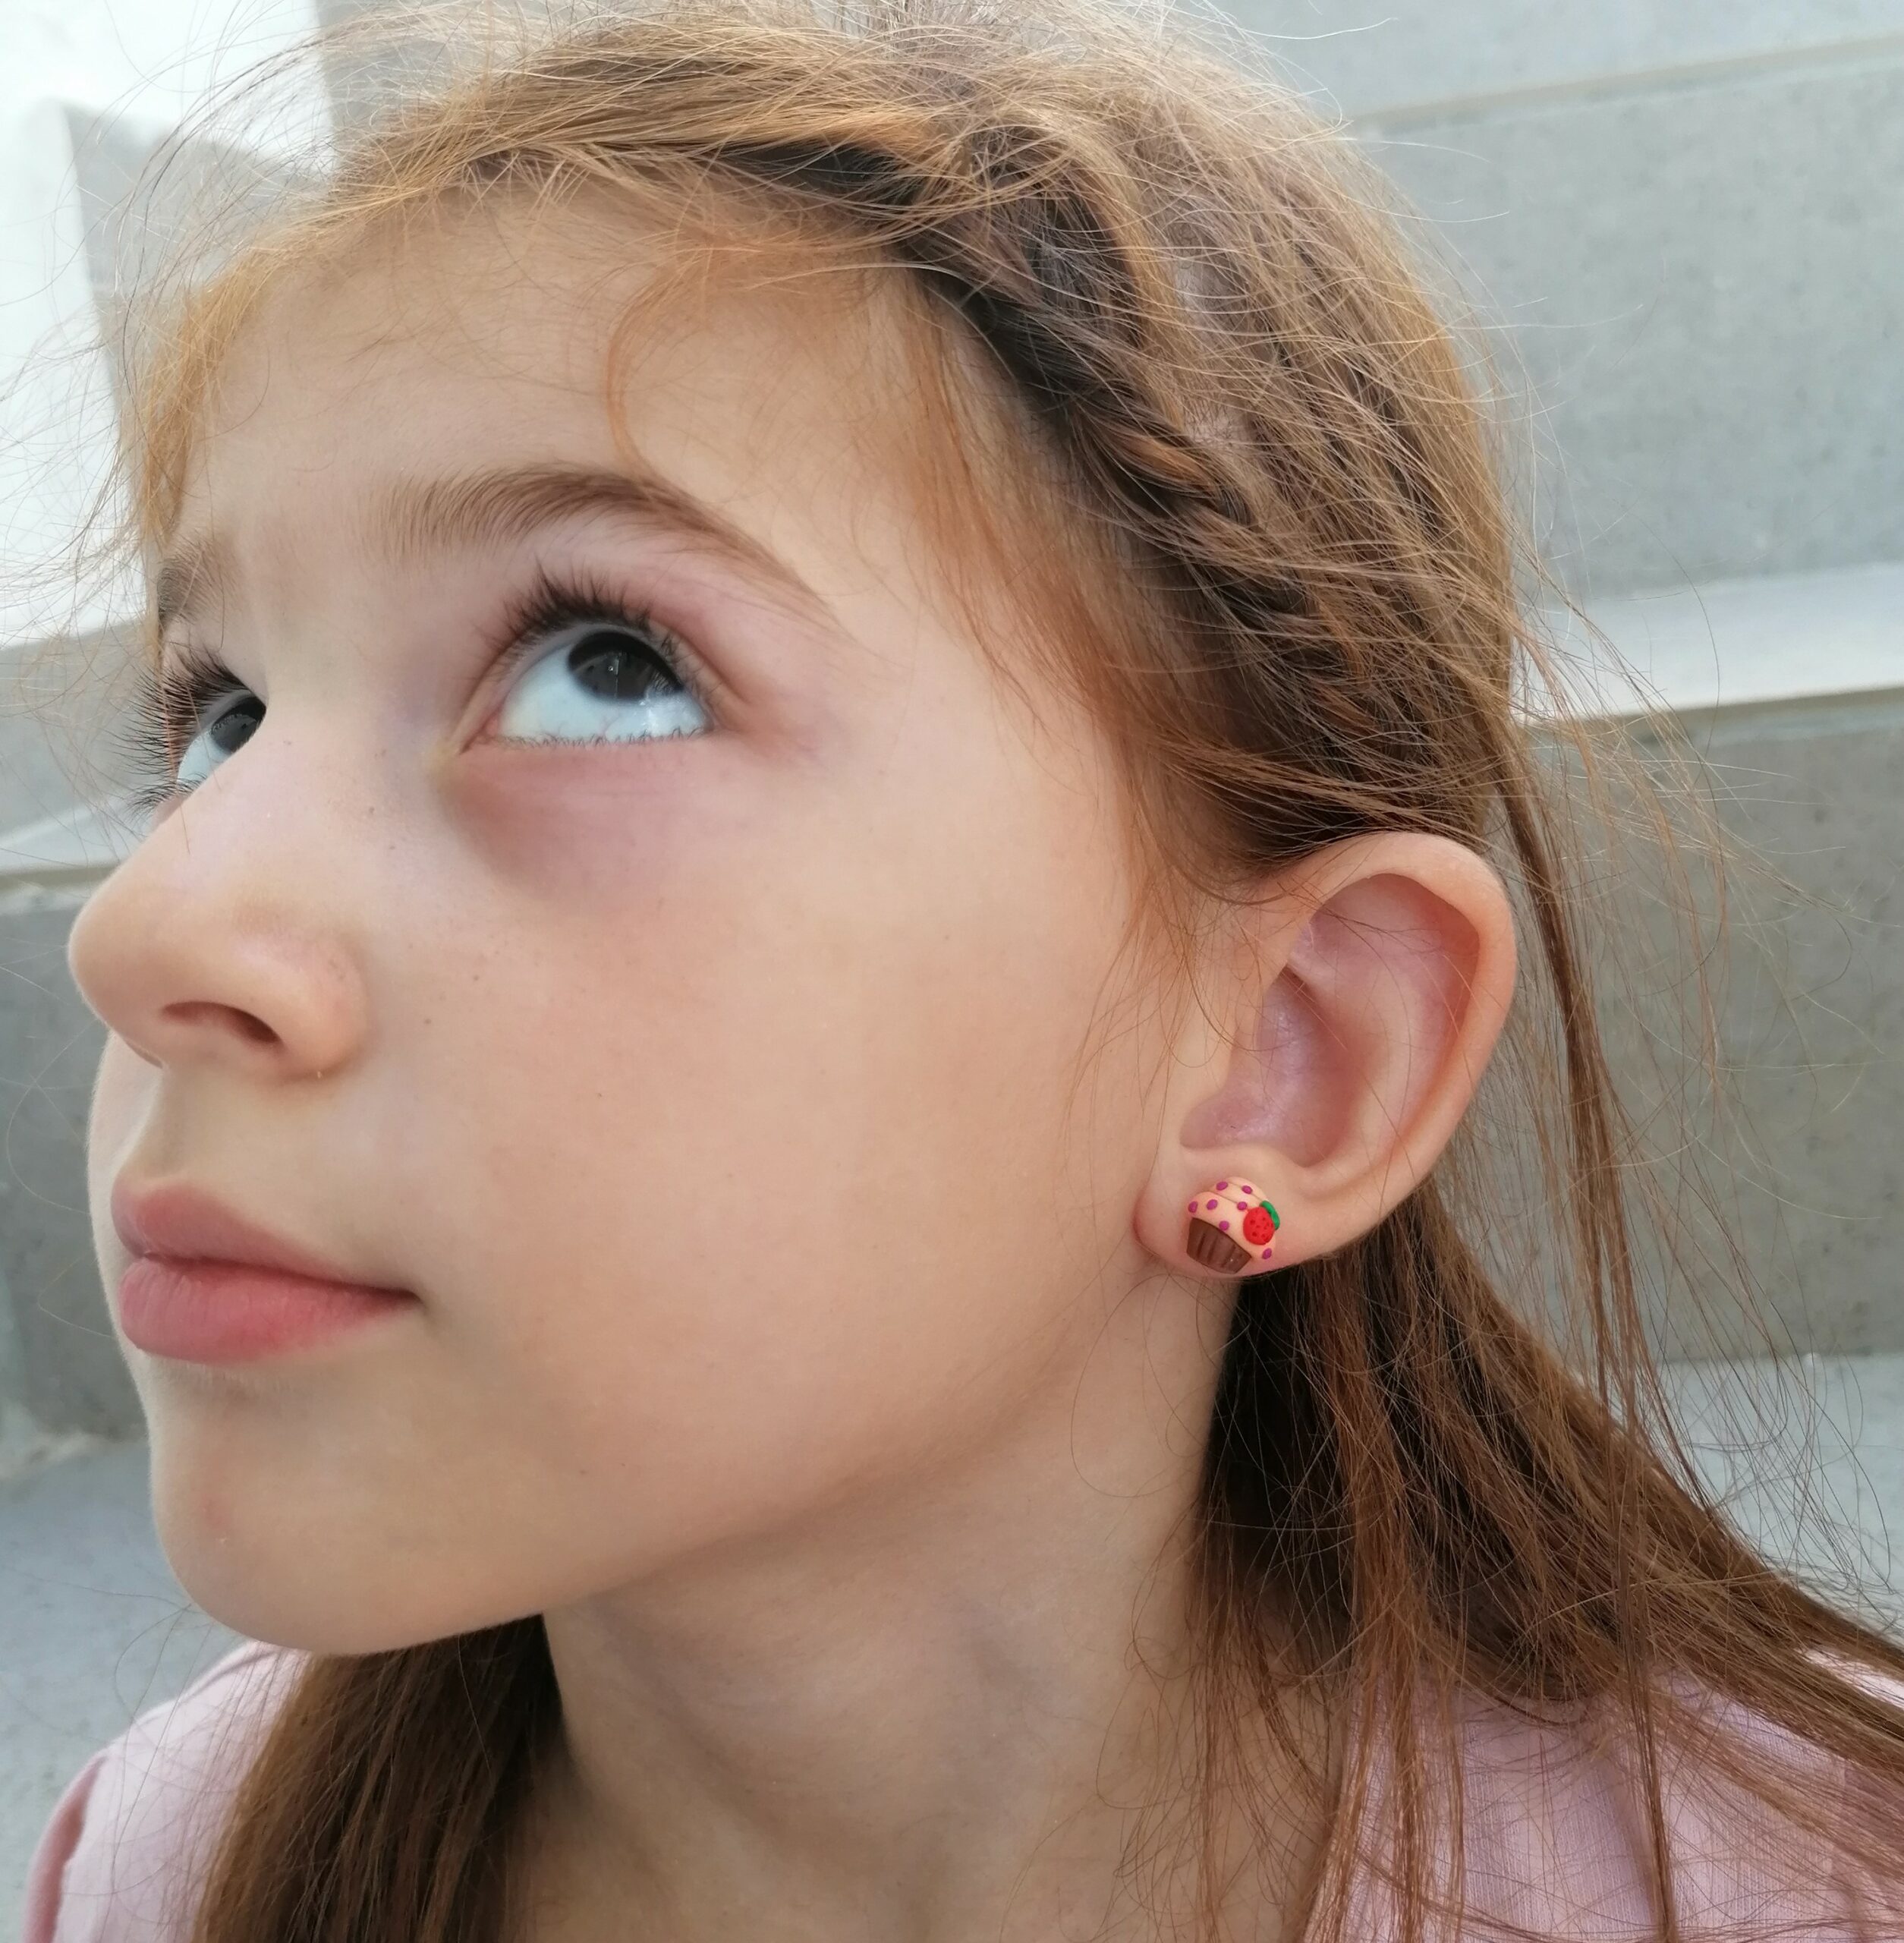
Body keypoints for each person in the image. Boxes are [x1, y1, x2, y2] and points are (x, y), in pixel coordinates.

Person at [20, 1, 1904, 1937]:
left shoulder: (1799, 1890)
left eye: (606, 669)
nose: (146, 925)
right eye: (223, 715)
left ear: (1286, 1053)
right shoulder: (158, 1869)